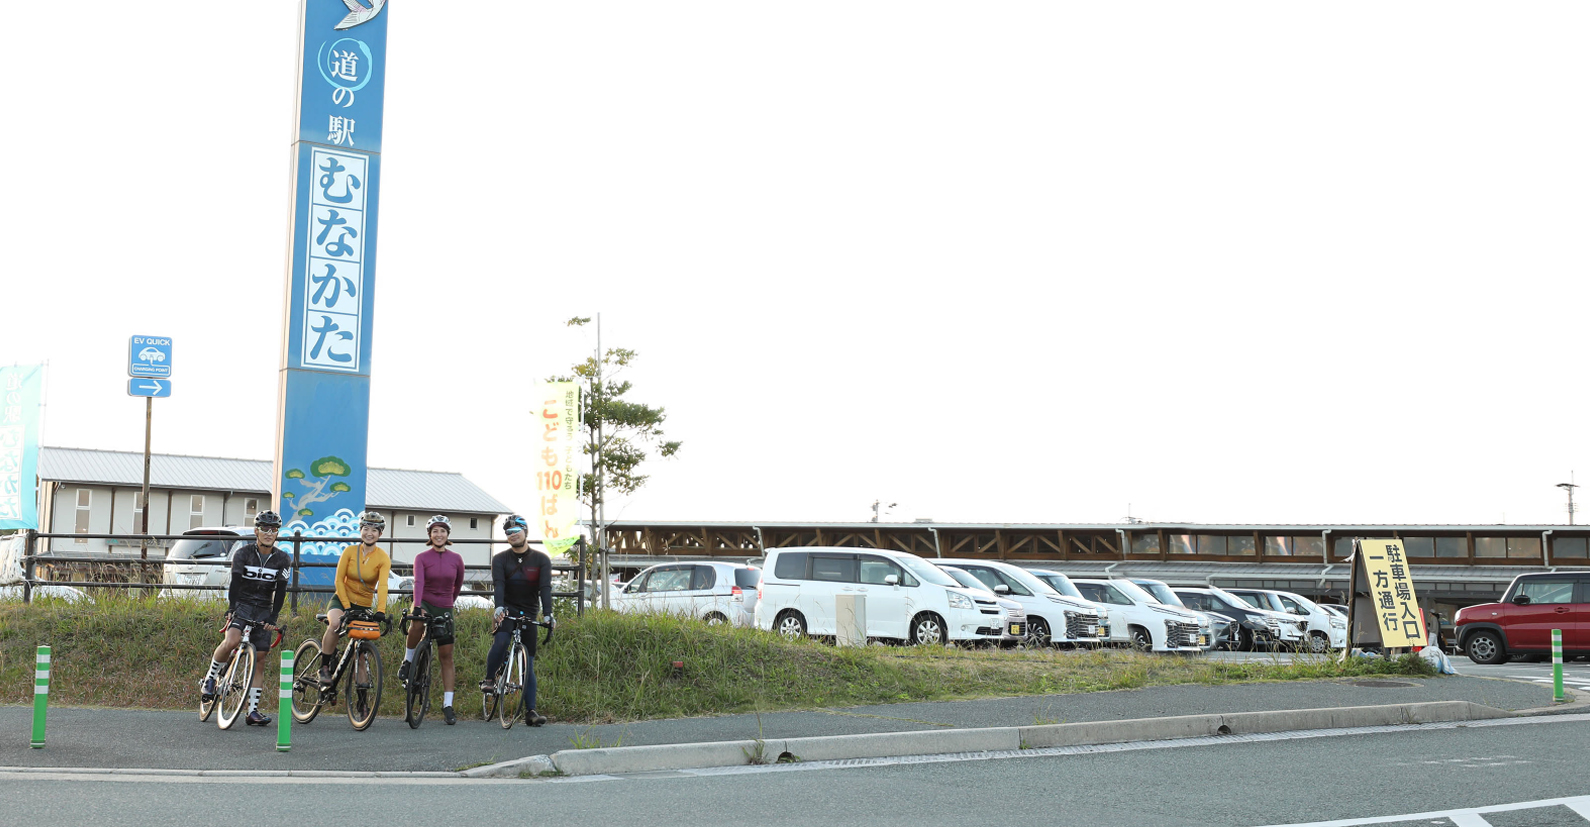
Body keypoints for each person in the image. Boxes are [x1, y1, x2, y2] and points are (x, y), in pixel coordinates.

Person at [200, 510, 291, 726]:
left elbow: (281, 590)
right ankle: (210, 679)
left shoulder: (283, 559)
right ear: (256, 531)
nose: (269, 533)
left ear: (277, 532)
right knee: (231, 641)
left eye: (273, 530)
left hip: (263, 609)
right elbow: (235, 583)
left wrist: (273, 617)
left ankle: (253, 711)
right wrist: (232, 608)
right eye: (264, 529)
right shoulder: (243, 554)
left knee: (260, 659)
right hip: (243, 604)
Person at [484, 514, 554, 726]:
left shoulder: (541, 560)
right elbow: (499, 585)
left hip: (529, 612)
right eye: (508, 532)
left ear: (526, 532)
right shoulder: (500, 559)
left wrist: (549, 614)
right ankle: (489, 680)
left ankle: (530, 711)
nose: (512, 535)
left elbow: (545, 588)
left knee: (528, 663)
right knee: (502, 641)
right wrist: (498, 608)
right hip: (507, 609)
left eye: (516, 531)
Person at [400, 514, 465, 724]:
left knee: (446, 656)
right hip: (424, 602)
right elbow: (418, 582)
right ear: (430, 534)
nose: (439, 535)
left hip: (445, 605)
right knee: (417, 623)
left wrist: (448, 604)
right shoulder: (421, 557)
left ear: (448, 535)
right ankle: (408, 660)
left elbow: (457, 585)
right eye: (435, 531)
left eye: (443, 531)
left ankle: (447, 704)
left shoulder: (456, 559)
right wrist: (417, 606)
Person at [319, 511, 391, 683]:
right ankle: (324, 667)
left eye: (374, 530)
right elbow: (338, 580)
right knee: (335, 624)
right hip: (342, 601)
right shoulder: (350, 552)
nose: (369, 533)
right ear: (360, 530)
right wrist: (347, 606)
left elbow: (382, 585)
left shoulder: (382, 558)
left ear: (380, 534)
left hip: (363, 606)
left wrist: (380, 610)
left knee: (361, 652)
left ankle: (363, 703)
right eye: (366, 528)